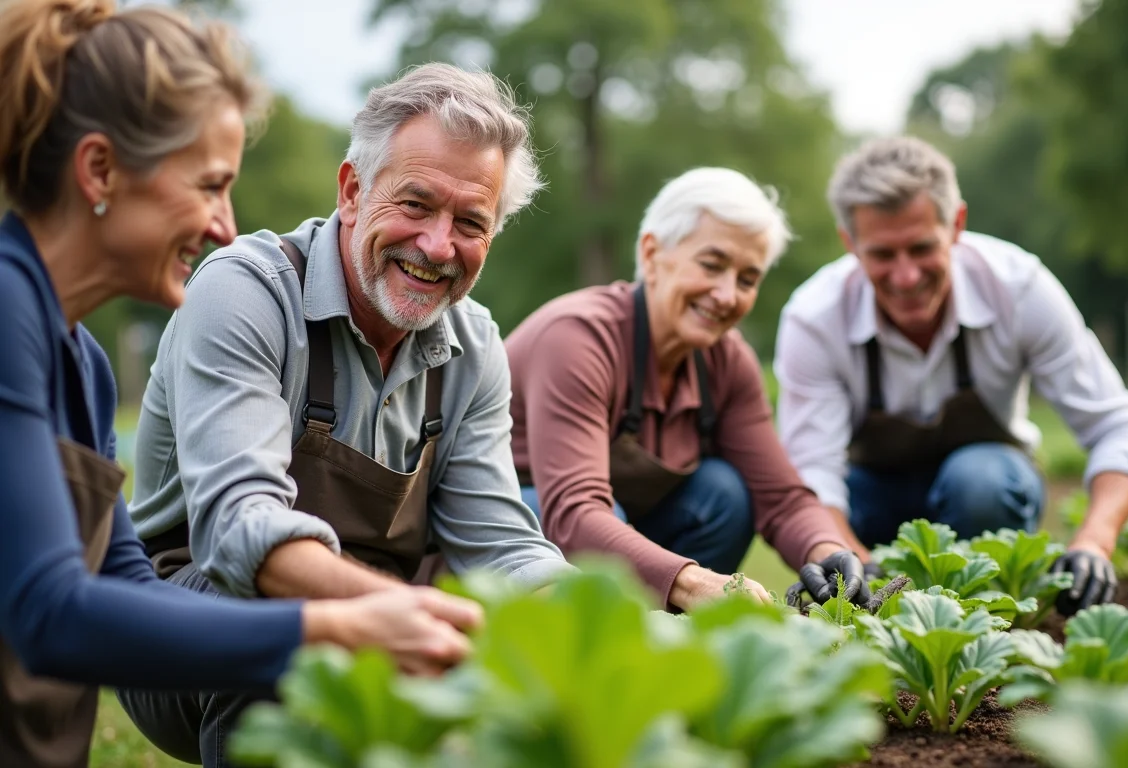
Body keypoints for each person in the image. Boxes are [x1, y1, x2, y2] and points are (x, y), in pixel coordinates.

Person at [0, 2, 485, 767]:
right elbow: (50, 614)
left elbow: (126, 584)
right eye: (209, 185)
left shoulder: (81, 360)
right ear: (99, 171)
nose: (226, 225)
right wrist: (331, 626)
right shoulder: (6, 314)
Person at [116, 60, 576, 765]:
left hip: (388, 616)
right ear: (353, 190)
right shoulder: (247, 290)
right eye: (416, 204)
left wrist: (592, 625)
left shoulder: (475, 344)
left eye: (470, 223)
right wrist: (398, 617)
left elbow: (503, 545)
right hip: (181, 624)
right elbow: (243, 531)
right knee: (293, 627)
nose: (436, 246)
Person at [774, 136, 1128, 616]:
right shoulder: (814, 317)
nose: (907, 276)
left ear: (956, 224)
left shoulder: (1020, 289)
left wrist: (1094, 542)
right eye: (882, 255)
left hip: (987, 498)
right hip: (870, 507)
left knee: (981, 480)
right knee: (846, 505)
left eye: (921, 248)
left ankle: (985, 615)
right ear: (849, 242)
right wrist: (850, 556)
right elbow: (811, 472)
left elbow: (1118, 428)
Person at [505, 167, 868, 613]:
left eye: (748, 279)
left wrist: (826, 549)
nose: (726, 294)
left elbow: (781, 497)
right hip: (510, 544)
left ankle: (670, 645)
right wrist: (694, 583)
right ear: (653, 253)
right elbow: (574, 513)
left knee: (723, 493)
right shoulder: (577, 339)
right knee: (563, 509)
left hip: (614, 539)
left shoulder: (727, 359)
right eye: (712, 265)